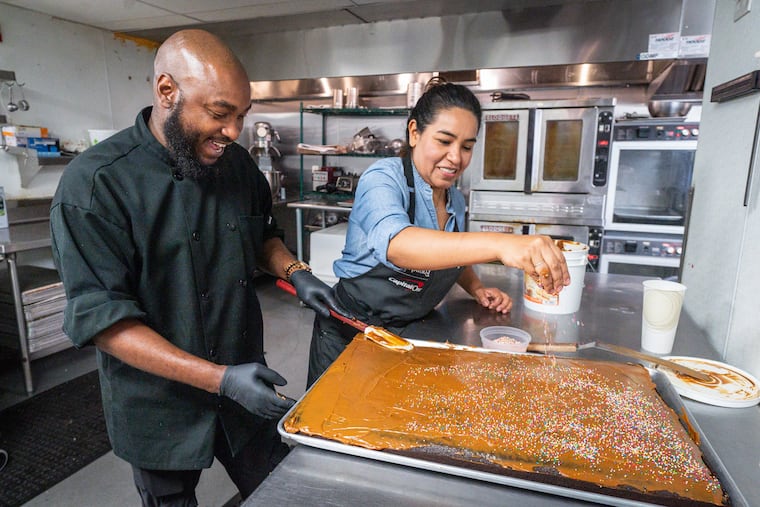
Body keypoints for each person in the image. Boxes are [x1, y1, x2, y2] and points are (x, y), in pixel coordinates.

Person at [50, 29, 346, 506]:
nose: (233, 132)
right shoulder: (95, 186)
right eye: (219, 114)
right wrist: (220, 379)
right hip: (158, 411)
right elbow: (106, 324)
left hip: (247, 390)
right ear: (167, 91)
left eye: (241, 116)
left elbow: (261, 236)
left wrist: (295, 272)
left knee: (286, 492)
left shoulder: (237, 167)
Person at [307, 80, 571, 386]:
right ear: (415, 132)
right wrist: (502, 244)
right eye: (444, 141)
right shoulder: (384, 178)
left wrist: (475, 287)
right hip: (351, 333)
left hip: (411, 333)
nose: (456, 158)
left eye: (467, 146)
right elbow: (398, 245)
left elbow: (450, 253)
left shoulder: (454, 199)